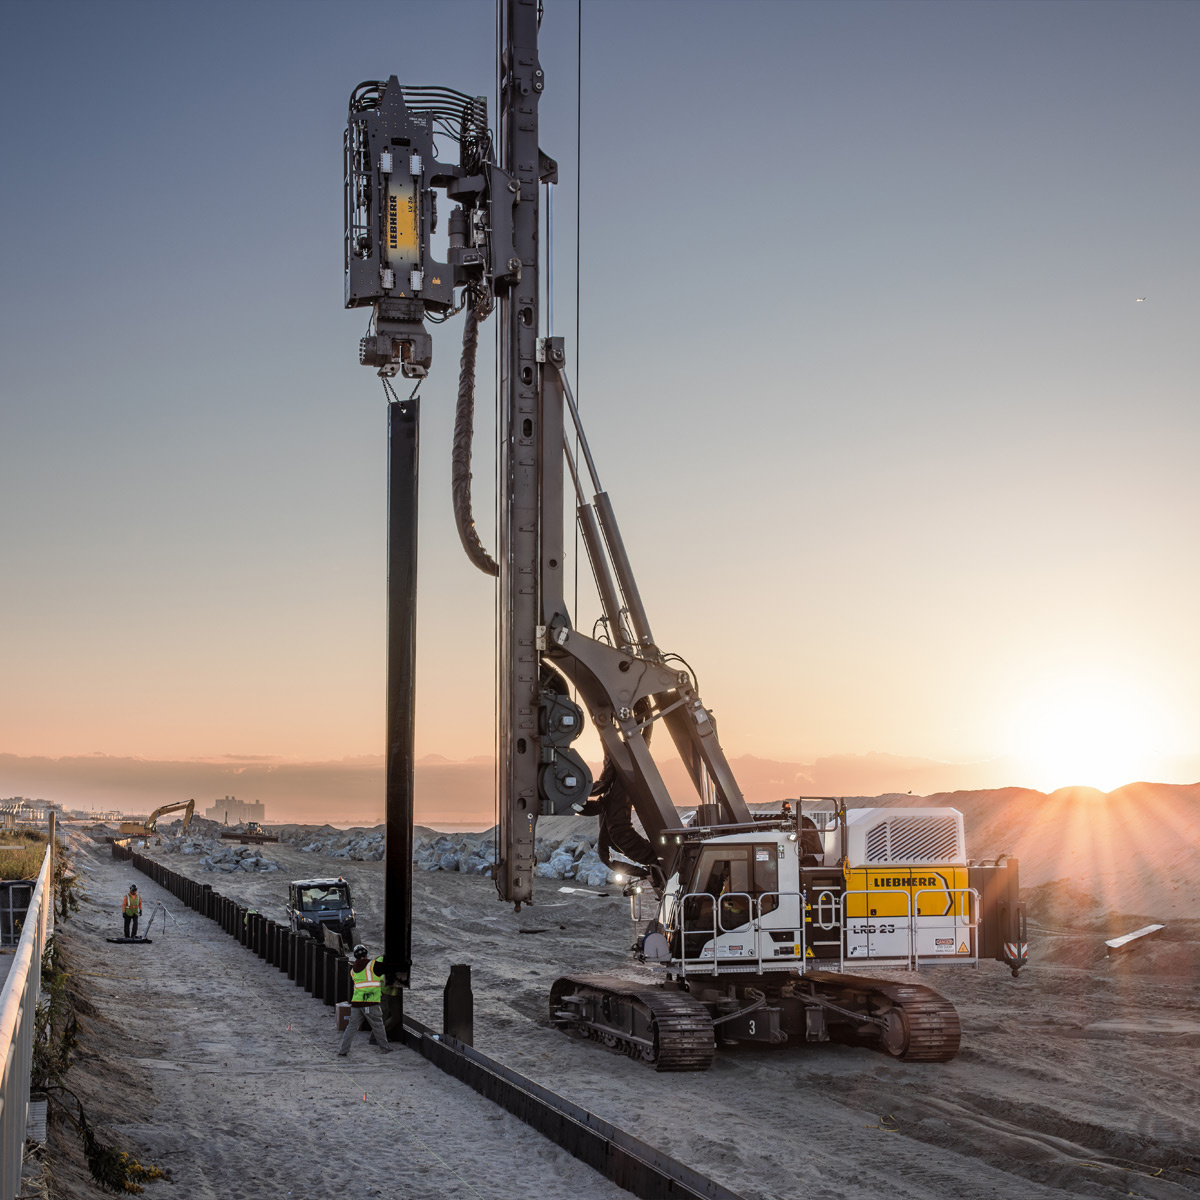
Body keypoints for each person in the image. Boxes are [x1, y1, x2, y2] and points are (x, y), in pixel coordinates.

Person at [338, 943, 392, 1057]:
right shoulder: (373, 965)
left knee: (351, 1027)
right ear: (366, 954)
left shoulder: (353, 970)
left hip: (356, 1003)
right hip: (370, 1002)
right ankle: (385, 1048)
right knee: (378, 1025)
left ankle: (343, 1050)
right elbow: (386, 967)